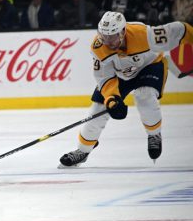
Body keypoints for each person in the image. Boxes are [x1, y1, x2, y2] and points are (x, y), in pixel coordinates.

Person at [59, 11, 193, 167]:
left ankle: (154, 135)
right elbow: (104, 78)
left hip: (149, 66)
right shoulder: (98, 48)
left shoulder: (143, 34)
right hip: (119, 75)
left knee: (145, 95)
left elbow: (179, 30)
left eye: (112, 36)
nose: (107, 41)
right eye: (104, 36)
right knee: (98, 109)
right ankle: (82, 151)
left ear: (123, 31)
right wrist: (111, 99)